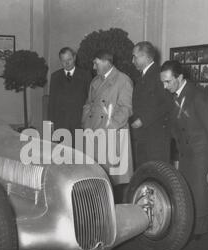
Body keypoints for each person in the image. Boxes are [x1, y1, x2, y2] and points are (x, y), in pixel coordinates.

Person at [160, 60, 208, 236]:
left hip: (201, 153)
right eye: (163, 82)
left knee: (200, 192)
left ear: (180, 77)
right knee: (190, 191)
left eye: (168, 81)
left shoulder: (197, 95)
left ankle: (200, 230)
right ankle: (203, 225)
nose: (165, 86)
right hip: (186, 153)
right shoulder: (174, 96)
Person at [82, 50, 133, 200]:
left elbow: (126, 109)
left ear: (106, 62)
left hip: (112, 135)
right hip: (93, 133)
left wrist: (108, 128)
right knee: (95, 177)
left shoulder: (123, 80)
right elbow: (88, 104)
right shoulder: (95, 81)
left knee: (113, 182)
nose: (93, 66)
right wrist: (86, 123)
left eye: (96, 63)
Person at [130, 41, 172, 168]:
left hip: (156, 138)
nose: (132, 61)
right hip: (142, 136)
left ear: (146, 57)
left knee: (156, 174)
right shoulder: (142, 76)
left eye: (135, 57)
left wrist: (143, 119)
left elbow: (167, 103)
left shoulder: (159, 74)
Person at [48, 47, 91, 137]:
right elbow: (52, 102)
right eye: (63, 60)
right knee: (62, 150)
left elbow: (90, 100)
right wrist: (50, 124)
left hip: (79, 123)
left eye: (69, 59)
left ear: (74, 58)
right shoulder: (55, 76)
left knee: (78, 150)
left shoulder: (85, 75)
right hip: (61, 123)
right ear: (60, 60)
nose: (67, 63)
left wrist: (88, 121)